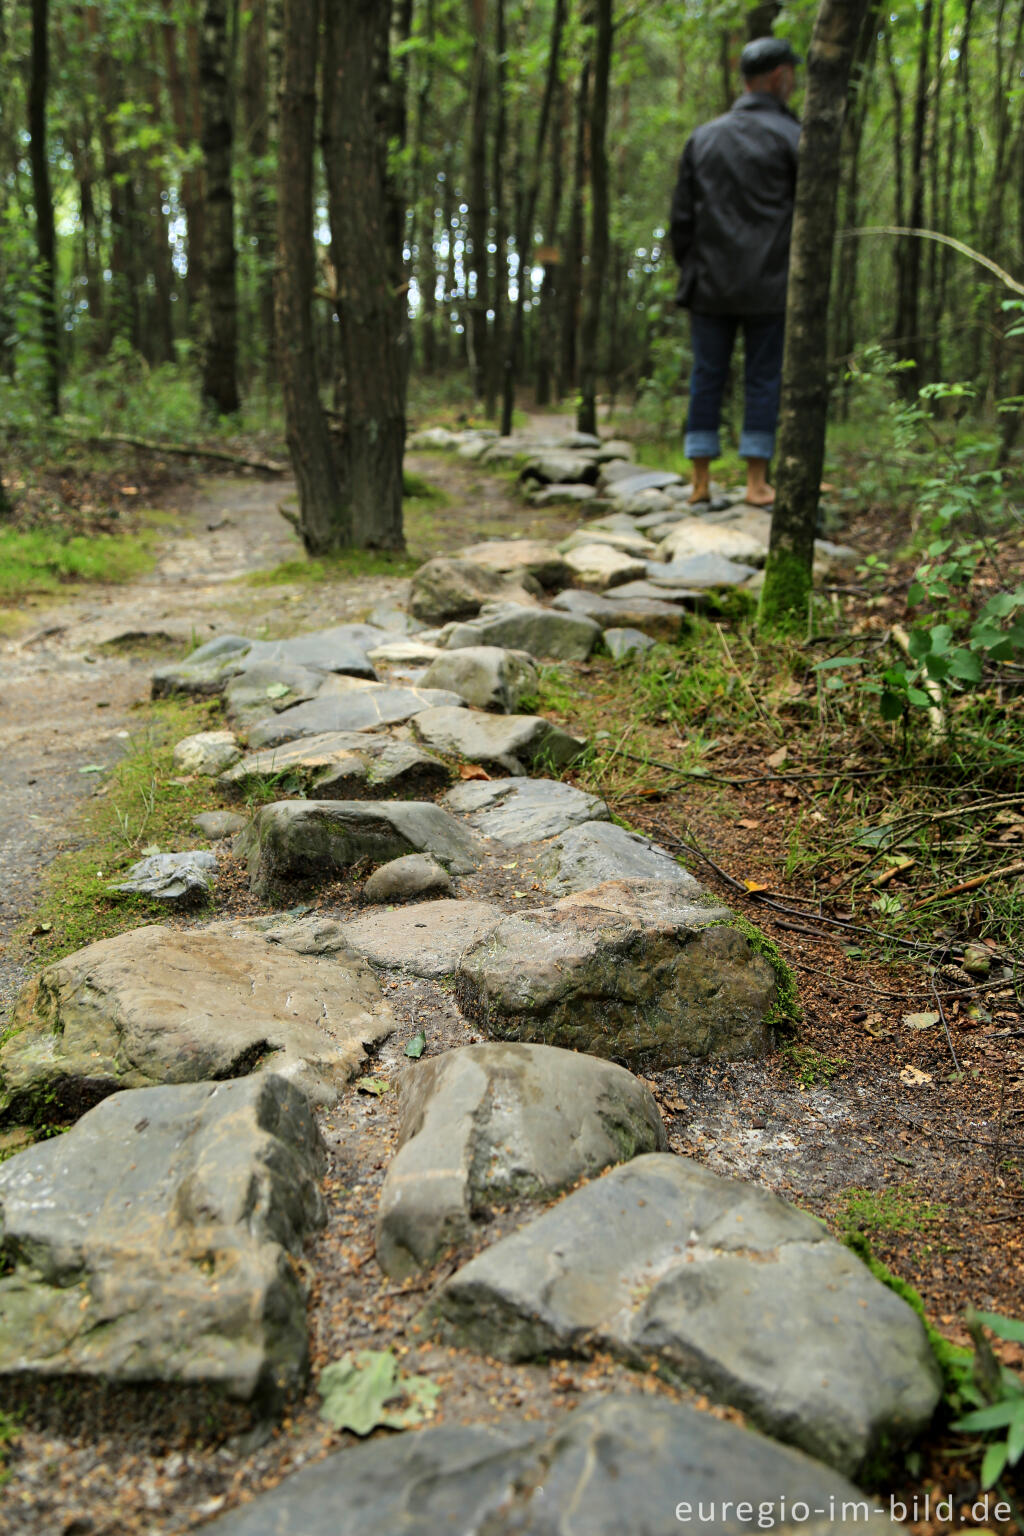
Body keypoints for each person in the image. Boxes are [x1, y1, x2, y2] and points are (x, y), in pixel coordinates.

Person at [669, 35, 801, 508]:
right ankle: (755, 482)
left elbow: (681, 220)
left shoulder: (704, 137)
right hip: (771, 281)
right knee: (763, 377)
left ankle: (700, 481)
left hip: (710, 283)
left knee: (707, 374)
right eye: (792, 74)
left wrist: (693, 268)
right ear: (779, 76)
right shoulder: (792, 136)